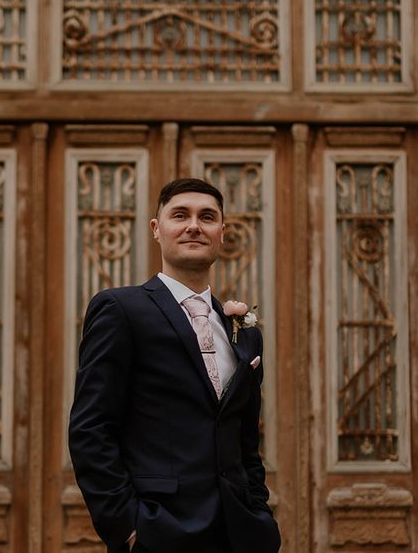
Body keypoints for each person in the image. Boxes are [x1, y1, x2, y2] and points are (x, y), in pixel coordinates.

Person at [68, 178, 280, 553]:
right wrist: (129, 529)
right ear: (157, 229)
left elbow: (246, 438)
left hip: (240, 533)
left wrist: (258, 511)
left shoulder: (244, 331)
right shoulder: (120, 310)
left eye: (207, 217)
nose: (194, 225)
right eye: (180, 215)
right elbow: (91, 429)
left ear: (222, 233)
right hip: (158, 530)